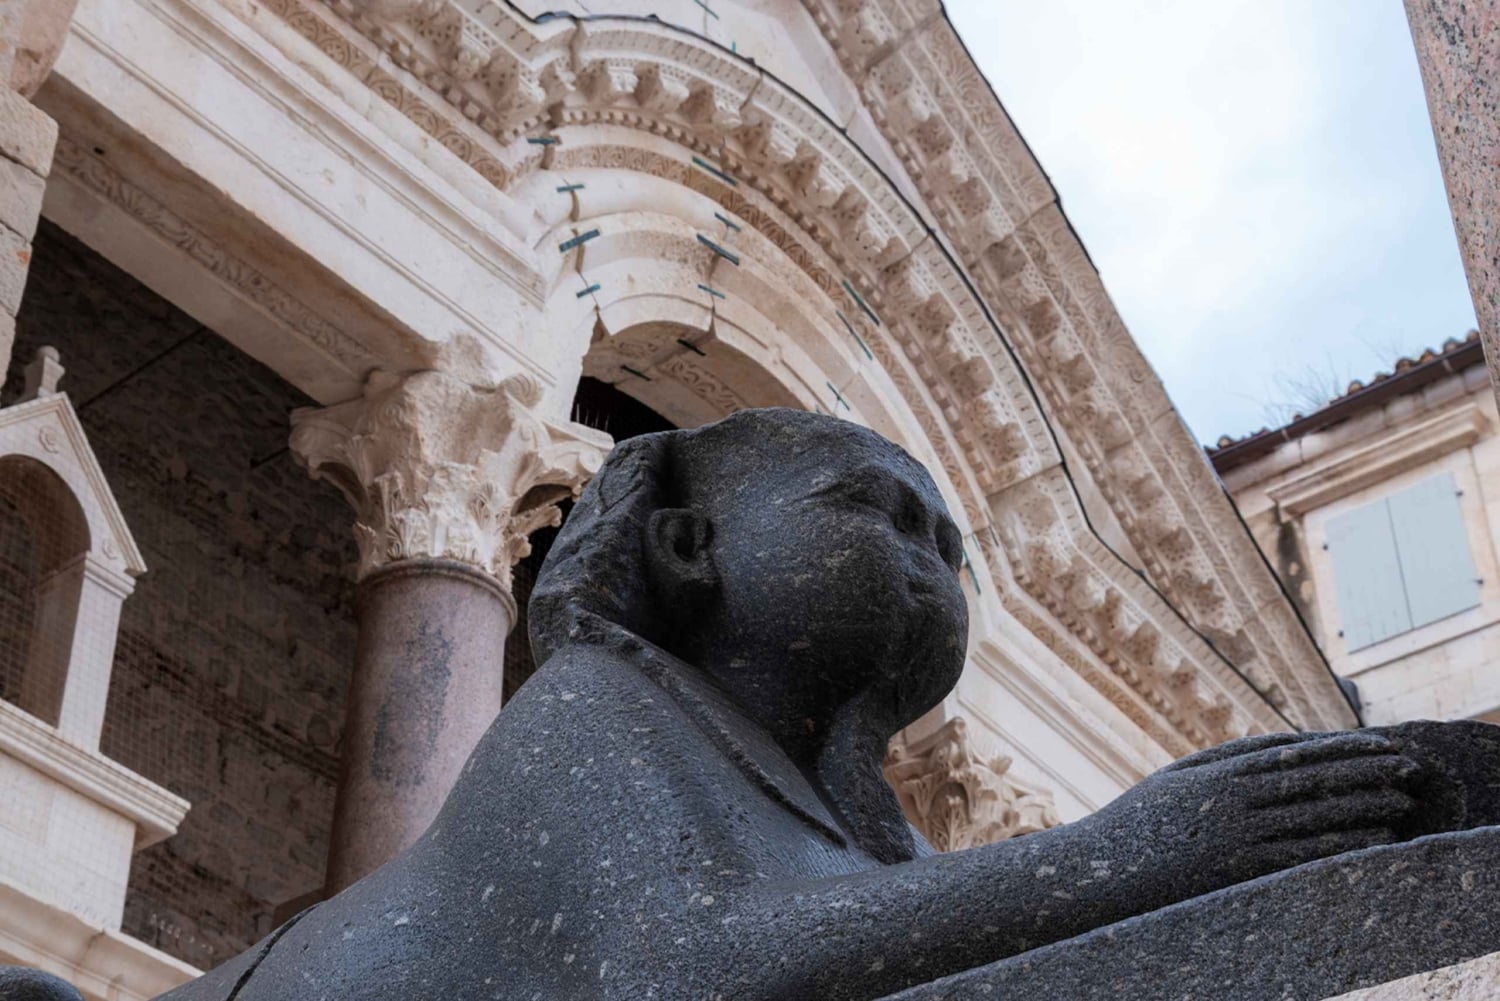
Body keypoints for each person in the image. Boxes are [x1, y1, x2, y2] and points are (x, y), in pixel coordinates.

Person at [155, 408, 1462, 1000]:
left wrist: (1217, 859)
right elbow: (684, 970)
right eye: (875, 512)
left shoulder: (864, 838)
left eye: (947, 546)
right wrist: (1130, 853)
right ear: (686, 548)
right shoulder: (599, 708)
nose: (930, 564)